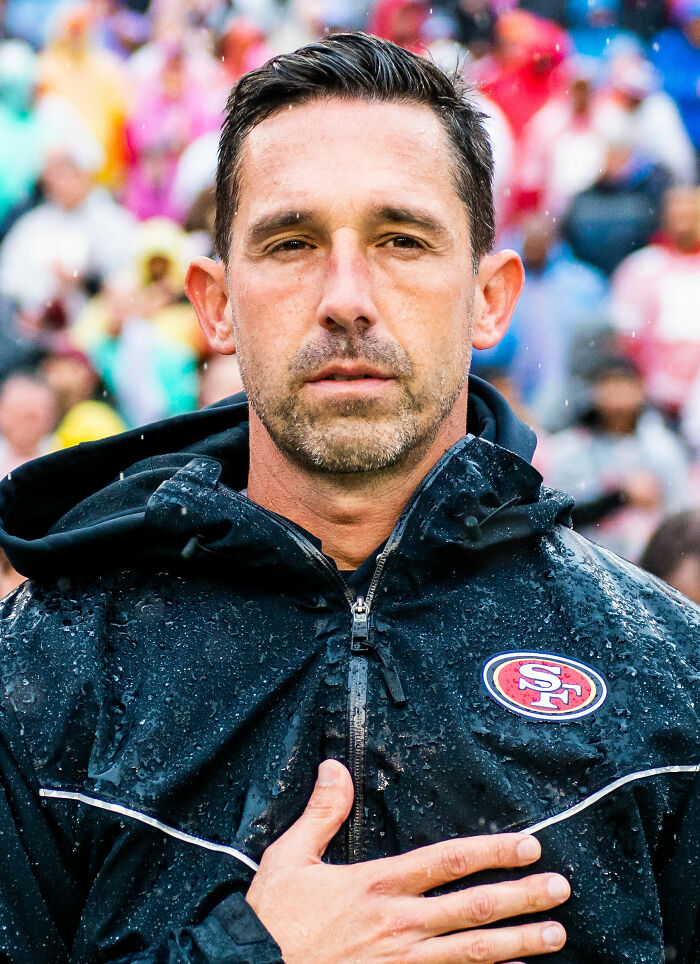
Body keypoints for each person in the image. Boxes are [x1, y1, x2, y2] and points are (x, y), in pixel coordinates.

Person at [0, 33, 698, 964]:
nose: (346, 298)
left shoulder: (670, 677)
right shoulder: (41, 676)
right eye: (291, 243)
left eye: (401, 240)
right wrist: (251, 954)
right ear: (214, 305)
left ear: (490, 298)